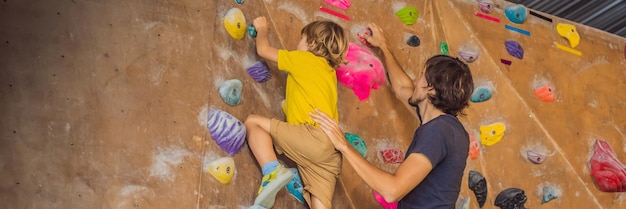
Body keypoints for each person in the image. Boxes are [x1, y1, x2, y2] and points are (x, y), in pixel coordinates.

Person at [310, 23, 474, 209]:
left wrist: (343, 145)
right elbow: (402, 89)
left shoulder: (439, 131)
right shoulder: (449, 128)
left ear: (431, 89)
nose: (415, 81)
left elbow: (391, 191)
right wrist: (384, 46)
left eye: (421, 76)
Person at [245, 16, 348, 209]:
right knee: (320, 204)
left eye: (301, 39)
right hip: (331, 151)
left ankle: (272, 171)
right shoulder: (329, 73)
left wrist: (263, 29)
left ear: (312, 42)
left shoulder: (304, 58)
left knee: (253, 122)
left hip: (312, 139)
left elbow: (263, 50)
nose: (297, 44)